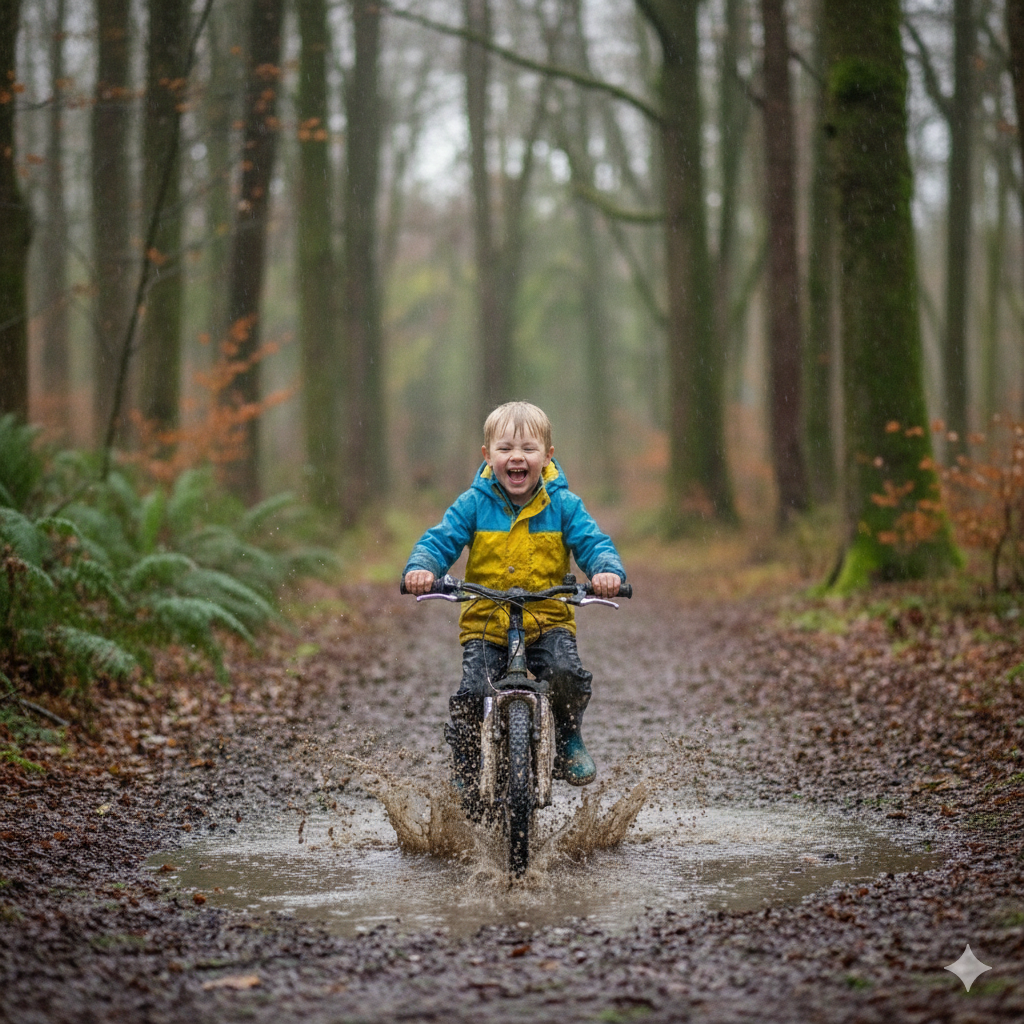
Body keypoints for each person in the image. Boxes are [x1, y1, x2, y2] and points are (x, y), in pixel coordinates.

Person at [402, 400, 626, 796]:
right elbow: (440, 540)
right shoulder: (473, 503)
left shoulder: (563, 506)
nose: (516, 458)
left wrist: (606, 572)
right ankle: (467, 761)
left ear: (548, 456)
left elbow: (594, 543)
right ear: (488, 456)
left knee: (565, 673)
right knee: (472, 692)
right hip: (486, 622)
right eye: (505, 449)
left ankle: (569, 738)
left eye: (528, 449)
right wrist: (423, 568)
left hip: (547, 620)